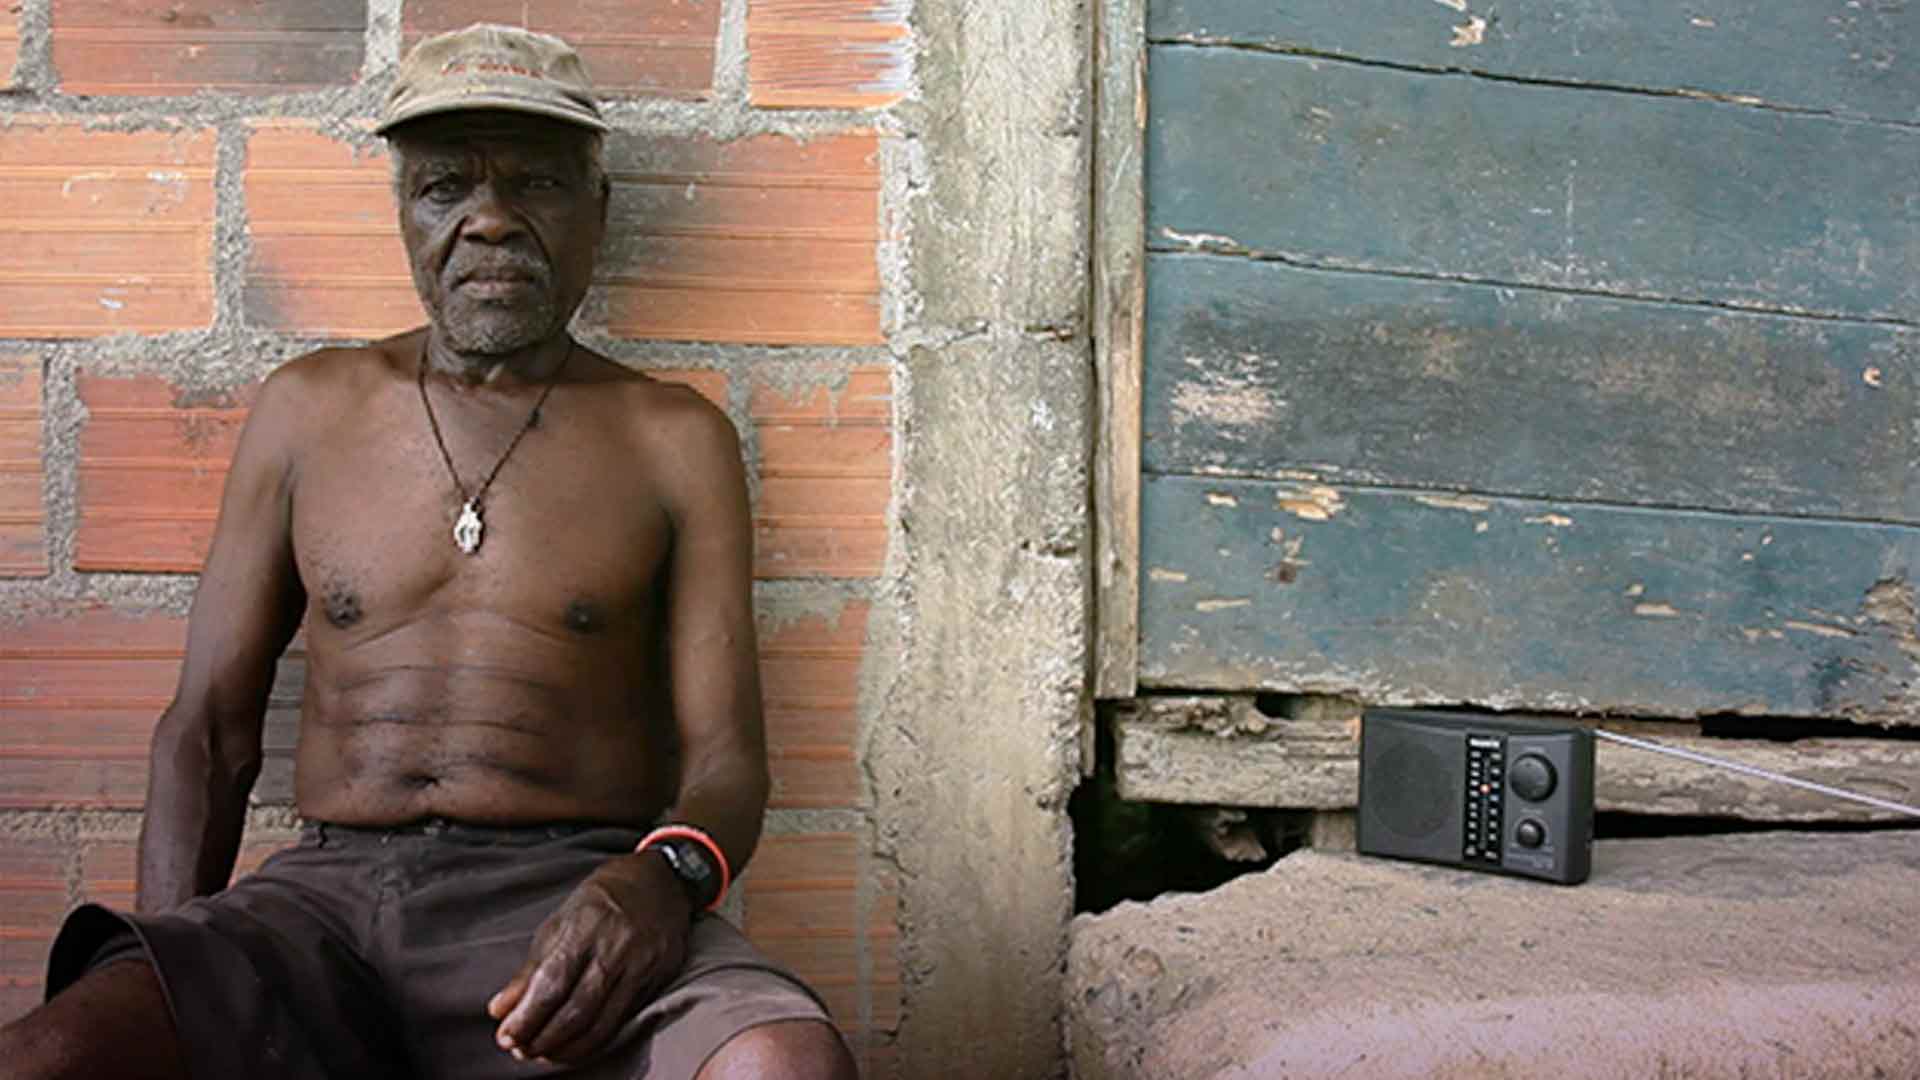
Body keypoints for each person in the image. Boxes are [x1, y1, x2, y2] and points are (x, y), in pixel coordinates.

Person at [0, 24, 857, 1080]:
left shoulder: (673, 439)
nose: (490, 220)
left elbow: (727, 762)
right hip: (324, 903)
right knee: (51, 1057)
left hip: (572, 898)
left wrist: (663, 880)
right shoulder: (307, 412)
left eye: (536, 183)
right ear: (403, 214)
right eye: (446, 185)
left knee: (782, 1062)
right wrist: (192, 980)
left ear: (599, 210)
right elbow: (209, 729)